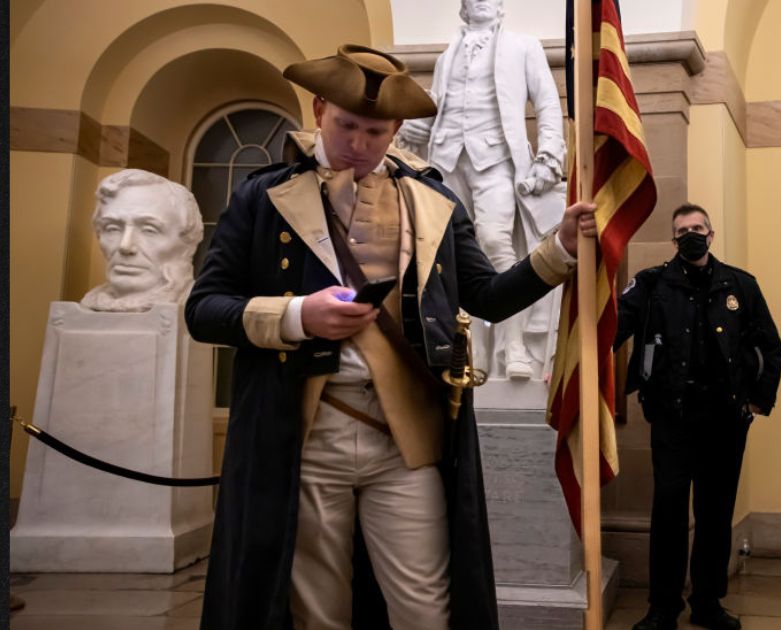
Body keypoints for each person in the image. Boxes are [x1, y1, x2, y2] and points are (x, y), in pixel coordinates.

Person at [185, 44, 595, 630]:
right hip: (303, 435)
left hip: (403, 438)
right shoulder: (262, 196)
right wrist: (300, 316)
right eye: (346, 125)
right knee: (317, 613)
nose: (358, 143)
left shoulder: (434, 200)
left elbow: (488, 295)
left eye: (375, 132)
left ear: (397, 128)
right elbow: (204, 309)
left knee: (425, 609)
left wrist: (559, 250)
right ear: (319, 108)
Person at [616, 204, 781, 630]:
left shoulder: (741, 286)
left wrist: (757, 402)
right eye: (682, 231)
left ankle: (708, 603)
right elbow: (613, 325)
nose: (690, 235)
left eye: (697, 228)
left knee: (715, 514)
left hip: (725, 421)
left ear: (711, 235)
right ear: (675, 241)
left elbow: (771, 345)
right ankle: (663, 607)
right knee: (669, 513)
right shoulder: (653, 283)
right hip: (673, 419)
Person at [399, 0, 564, 379]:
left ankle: (515, 346)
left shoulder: (524, 46)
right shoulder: (446, 57)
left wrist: (549, 156)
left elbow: (548, 105)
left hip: (496, 162)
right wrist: (417, 125)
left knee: (494, 242)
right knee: (445, 253)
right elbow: (440, 109)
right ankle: (467, 345)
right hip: (447, 161)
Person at [82, 169, 204, 312]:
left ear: (187, 242)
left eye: (149, 230)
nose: (125, 246)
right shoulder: (86, 308)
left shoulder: (202, 311)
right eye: (113, 228)